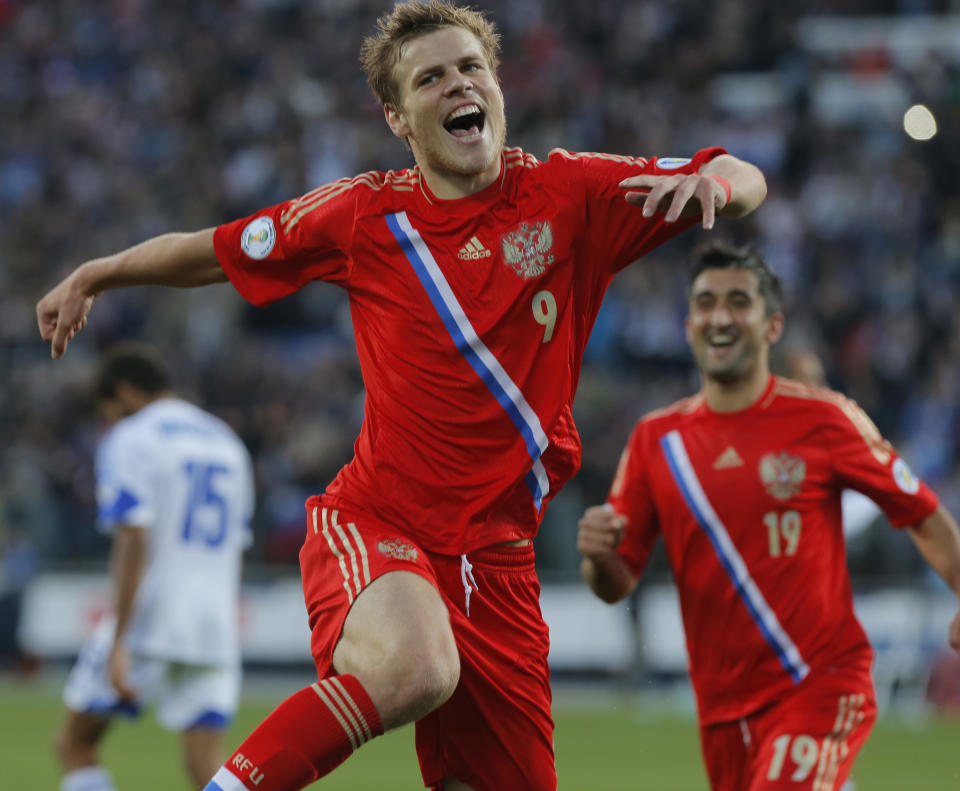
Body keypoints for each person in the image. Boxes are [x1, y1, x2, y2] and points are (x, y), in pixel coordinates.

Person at [36, 3, 767, 789]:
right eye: (431, 78)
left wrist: (716, 184)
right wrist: (98, 271)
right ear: (397, 116)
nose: (459, 84)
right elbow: (211, 251)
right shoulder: (363, 217)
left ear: (495, 85)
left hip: (501, 563)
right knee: (417, 667)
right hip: (381, 524)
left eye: (471, 67)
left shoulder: (569, 194)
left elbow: (741, 173)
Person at [577, 241, 960, 791]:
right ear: (688, 324)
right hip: (723, 710)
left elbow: (920, 512)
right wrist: (598, 556)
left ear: (771, 325)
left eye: (739, 301)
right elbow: (615, 584)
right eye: (706, 302)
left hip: (820, 682)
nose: (721, 316)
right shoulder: (656, 441)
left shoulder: (824, 418)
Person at [55, 343, 254, 791]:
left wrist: (119, 639)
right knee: (208, 769)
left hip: (150, 618)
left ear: (124, 392)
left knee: (74, 744)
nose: (109, 422)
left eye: (109, 411)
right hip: (214, 627)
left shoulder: (133, 436)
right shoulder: (227, 441)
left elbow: (133, 536)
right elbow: (236, 543)